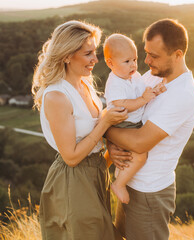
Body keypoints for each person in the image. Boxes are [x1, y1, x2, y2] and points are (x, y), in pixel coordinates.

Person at [32, 20, 128, 240]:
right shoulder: (57, 95)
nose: (95, 59)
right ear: (67, 55)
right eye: (88, 53)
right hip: (72, 180)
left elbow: (91, 143)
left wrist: (109, 155)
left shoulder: (85, 84)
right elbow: (72, 157)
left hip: (96, 173)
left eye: (94, 52)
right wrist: (104, 122)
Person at [105, 18, 194, 240]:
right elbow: (119, 109)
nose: (146, 60)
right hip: (131, 184)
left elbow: (139, 142)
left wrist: (105, 129)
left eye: (154, 55)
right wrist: (112, 142)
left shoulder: (183, 94)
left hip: (150, 193)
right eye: (146, 52)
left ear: (178, 54)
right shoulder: (152, 75)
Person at [103, 33, 165, 204]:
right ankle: (119, 184)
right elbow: (121, 103)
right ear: (110, 63)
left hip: (133, 124)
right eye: (127, 61)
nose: (133, 65)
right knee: (140, 156)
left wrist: (154, 92)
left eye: (135, 59)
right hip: (124, 124)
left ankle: (115, 176)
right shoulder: (115, 82)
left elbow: (143, 91)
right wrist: (143, 100)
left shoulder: (134, 76)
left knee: (128, 156)